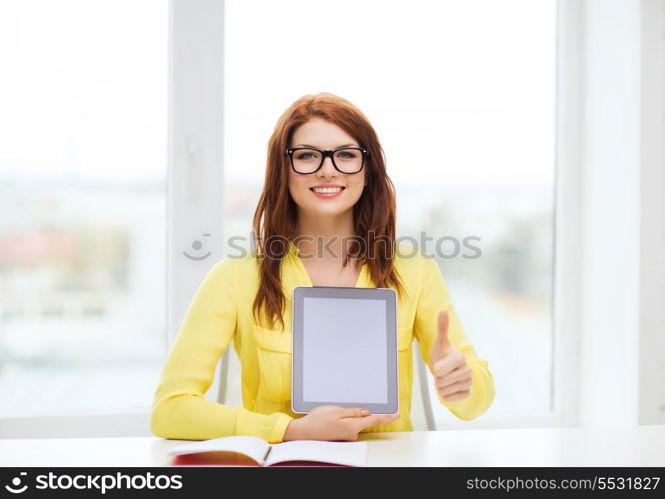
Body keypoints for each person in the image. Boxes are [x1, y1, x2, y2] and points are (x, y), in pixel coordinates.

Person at [150, 92, 495, 443]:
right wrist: (289, 430)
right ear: (282, 171)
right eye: (307, 155)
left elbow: (474, 405)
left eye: (346, 154)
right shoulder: (236, 277)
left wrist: (460, 382)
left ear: (368, 169)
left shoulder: (414, 271)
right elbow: (169, 410)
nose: (327, 169)